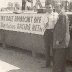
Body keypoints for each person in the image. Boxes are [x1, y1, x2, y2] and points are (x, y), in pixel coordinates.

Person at [52, 3, 70, 72]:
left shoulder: (62, 15)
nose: (55, 8)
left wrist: (59, 40)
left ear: (61, 7)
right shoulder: (62, 14)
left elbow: (63, 29)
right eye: (55, 7)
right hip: (63, 42)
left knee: (57, 60)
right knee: (62, 61)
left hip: (61, 42)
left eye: (57, 7)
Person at [43, 4, 58, 68]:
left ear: (52, 7)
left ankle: (55, 65)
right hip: (46, 32)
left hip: (53, 32)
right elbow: (41, 25)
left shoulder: (56, 15)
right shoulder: (44, 15)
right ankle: (47, 64)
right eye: (47, 7)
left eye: (50, 7)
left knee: (54, 49)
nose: (48, 9)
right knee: (47, 49)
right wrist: (44, 25)